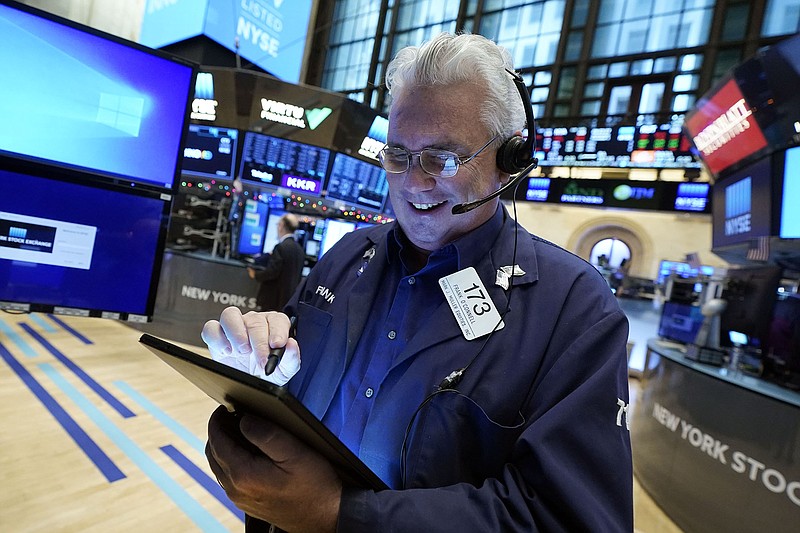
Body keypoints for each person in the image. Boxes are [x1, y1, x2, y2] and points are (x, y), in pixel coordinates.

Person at [203, 32, 633, 532]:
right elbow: (286, 398)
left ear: (509, 162)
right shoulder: (347, 256)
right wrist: (255, 370)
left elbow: (572, 519)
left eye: (442, 158)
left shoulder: (574, 309)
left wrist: (339, 515)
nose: (413, 182)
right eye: (399, 155)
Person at [247, 213, 306, 312]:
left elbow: (272, 272)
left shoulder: (280, 247)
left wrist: (256, 275)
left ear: (281, 226)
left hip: (274, 300)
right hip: (289, 299)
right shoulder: (300, 250)